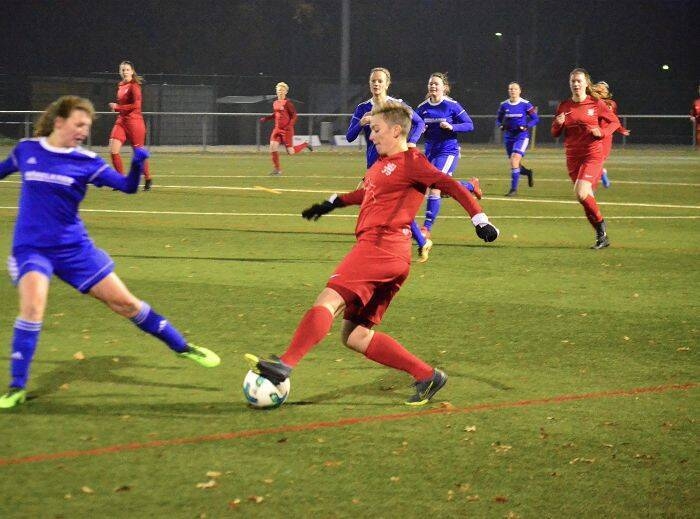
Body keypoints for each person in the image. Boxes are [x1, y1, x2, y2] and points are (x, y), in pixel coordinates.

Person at [246, 103, 499, 407]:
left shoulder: (412, 161)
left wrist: (480, 220)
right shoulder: (381, 164)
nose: (373, 136)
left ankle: (285, 364)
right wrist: (331, 203)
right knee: (355, 335)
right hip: (393, 256)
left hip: (380, 247)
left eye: (377, 130)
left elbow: (449, 185)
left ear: (396, 130)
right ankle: (427, 375)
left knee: (328, 300)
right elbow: (366, 194)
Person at [0, 96, 220, 409]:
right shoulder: (27, 150)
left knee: (126, 304)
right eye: (78, 124)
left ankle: (183, 347)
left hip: (74, 249)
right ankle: (17, 387)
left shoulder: (87, 162)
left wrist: (136, 165)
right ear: (59, 121)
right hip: (32, 248)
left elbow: (127, 187)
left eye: (87, 127)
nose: (83, 131)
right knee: (33, 308)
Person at [346, 67, 434, 261]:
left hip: (393, 164)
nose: (376, 84)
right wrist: (361, 123)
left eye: (380, 81)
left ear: (387, 84)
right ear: (369, 84)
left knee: (374, 207)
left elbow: (419, 123)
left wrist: (411, 142)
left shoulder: (396, 105)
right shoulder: (363, 108)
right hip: (374, 167)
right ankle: (421, 241)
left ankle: (371, 247)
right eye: (373, 81)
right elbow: (349, 137)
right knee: (391, 208)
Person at [551, 68, 620, 249]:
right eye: (573, 81)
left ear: (586, 83)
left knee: (581, 193)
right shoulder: (564, 106)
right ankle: (602, 237)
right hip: (572, 157)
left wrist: (602, 132)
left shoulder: (595, 103)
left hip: (592, 155)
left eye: (579, 81)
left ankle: (601, 227)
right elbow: (555, 133)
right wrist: (558, 124)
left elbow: (614, 122)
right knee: (585, 198)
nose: (575, 84)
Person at [415, 72, 482, 240]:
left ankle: (426, 228)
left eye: (436, 84)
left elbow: (469, 125)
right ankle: (470, 186)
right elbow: (414, 126)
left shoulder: (451, 105)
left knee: (435, 186)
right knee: (443, 188)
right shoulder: (422, 108)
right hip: (430, 153)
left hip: (447, 151)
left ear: (444, 87)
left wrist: (453, 127)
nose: (433, 86)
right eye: (430, 83)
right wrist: (420, 129)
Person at [108, 60, 152, 191]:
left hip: (135, 123)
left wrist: (117, 107)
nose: (125, 72)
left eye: (127, 69)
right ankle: (120, 181)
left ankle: (148, 178)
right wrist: (118, 109)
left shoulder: (135, 86)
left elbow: (136, 105)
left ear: (132, 71)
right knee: (113, 149)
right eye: (122, 70)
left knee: (138, 154)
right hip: (122, 121)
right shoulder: (121, 85)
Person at [497, 82, 539, 197]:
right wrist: (501, 126)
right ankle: (528, 172)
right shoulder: (504, 105)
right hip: (509, 137)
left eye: (515, 89)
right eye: (511, 89)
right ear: (508, 91)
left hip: (521, 136)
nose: (513, 91)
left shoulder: (526, 104)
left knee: (514, 159)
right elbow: (498, 120)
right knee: (515, 162)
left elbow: (535, 119)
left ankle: (513, 189)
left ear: (520, 91)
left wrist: (527, 126)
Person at [260, 82, 311, 176]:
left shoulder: (288, 103)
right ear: (276, 91)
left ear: (286, 92)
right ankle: (277, 169)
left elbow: (294, 116)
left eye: (282, 90)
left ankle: (305, 144)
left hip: (287, 130)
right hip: (277, 129)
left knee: (290, 152)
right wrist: (267, 118)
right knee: (272, 147)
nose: (280, 92)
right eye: (279, 90)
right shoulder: (275, 103)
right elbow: (275, 114)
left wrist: (289, 126)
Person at [591, 81, 631, 188]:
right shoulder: (591, 102)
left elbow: (613, 119)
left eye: (604, 89)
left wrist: (621, 129)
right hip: (593, 135)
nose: (603, 90)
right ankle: (599, 175)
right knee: (592, 160)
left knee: (597, 160)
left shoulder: (609, 104)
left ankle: (598, 178)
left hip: (605, 135)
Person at [690, 83, 700, 148]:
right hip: (699, 124)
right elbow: (693, 111)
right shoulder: (696, 102)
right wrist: (692, 116)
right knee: (699, 137)